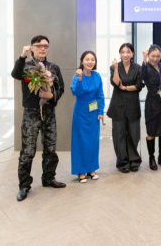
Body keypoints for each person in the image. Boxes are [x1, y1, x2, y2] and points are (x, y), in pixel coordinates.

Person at [11, 35, 65, 202]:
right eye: (39, 45)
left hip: (49, 112)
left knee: (50, 148)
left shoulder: (54, 68)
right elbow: (15, 74)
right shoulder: (26, 66)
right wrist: (22, 56)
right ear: (32, 47)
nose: (43, 48)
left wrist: (51, 95)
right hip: (31, 113)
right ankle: (24, 185)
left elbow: (60, 88)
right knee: (28, 151)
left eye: (46, 46)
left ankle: (48, 178)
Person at [107, 43, 144, 173]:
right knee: (119, 135)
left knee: (134, 134)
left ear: (132, 54)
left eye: (128, 52)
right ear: (120, 54)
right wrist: (116, 69)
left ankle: (134, 161)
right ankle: (122, 162)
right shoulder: (113, 67)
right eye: (123, 52)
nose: (125, 54)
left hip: (133, 105)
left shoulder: (138, 68)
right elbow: (116, 83)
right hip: (118, 106)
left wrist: (126, 88)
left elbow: (139, 85)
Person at [70, 51, 105, 183]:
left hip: (94, 112)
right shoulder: (77, 76)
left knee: (93, 141)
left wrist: (101, 111)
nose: (90, 62)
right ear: (82, 61)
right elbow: (76, 92)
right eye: (87, 59)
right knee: (80, 141)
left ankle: (91, 168)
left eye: (92, 59)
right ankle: (80, 171)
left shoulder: (96, 76)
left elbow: (100, 95)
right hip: (80, 111)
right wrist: (79, 79)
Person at [141, 45, 161, 170]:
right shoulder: (146, 68)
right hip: (152, 104)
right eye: (153, 56)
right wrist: (144, 59)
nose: (155, 59)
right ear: (148, 56)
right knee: (151, 131)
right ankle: (151, 158)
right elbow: (142, 76)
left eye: (158, 56)